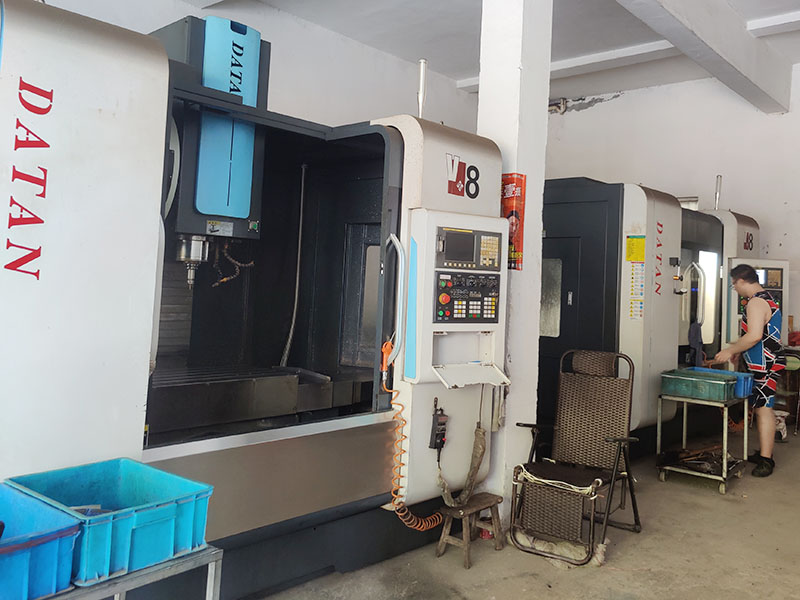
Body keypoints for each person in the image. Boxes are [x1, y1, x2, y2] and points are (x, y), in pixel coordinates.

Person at [714, 264, 785, 477]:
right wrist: (739, 350)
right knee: (763, 408)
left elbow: (754, 336)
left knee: (764, 409)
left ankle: (767, 460)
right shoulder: (768, 298)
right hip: (764, 362)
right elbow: (756, 335)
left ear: (742, 281)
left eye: (734, 284)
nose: (735, 288)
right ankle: (764, 453)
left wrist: (730, 350)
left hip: (765, 364)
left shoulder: (755, 302)